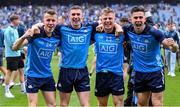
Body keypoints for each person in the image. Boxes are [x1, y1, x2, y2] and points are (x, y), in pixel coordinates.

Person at [123, 6, 179, 106]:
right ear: (131, 19)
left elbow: (171, 49)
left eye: (140, 17)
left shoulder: (154, 32)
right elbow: (112, 26)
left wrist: (174, 46)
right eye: (135, 18)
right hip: (139, 72)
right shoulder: (128, 29)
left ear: (145, 19)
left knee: (157, 102)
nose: (138, 20)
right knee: (141, 103)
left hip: (155, 72)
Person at [12, 9, 60, 107]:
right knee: (33, 104)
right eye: (48, 20)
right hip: (32, 75)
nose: (51, 23)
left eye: (53, 20)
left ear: (56, 22)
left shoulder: (57, 36)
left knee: (52, 105)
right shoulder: (36, 33)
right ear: (44, 21)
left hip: (47, 75)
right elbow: (15, 47)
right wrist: (24, 36)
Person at [91, 7, 124, 106]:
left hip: (116, 74)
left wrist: (117, 26)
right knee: (102, 104)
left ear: (114, 20)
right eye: (105, 19)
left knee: (118, 103)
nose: (107, 21)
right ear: (101, 20)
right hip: (101, 74)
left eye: (110, 18)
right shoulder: (96, 32)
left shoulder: (122, 33)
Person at [3, 14, 25, 98]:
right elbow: (12, 45)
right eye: (18, 20)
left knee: (22, 71)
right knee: (9, 72)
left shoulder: (15, 30)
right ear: (14, 20)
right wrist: (21, 46)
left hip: (18, 54)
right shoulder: (8, 31)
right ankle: (7, 91)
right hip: (11, 55)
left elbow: (17, 43)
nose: (19, 21)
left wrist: (22, 48)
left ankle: (23, 89)